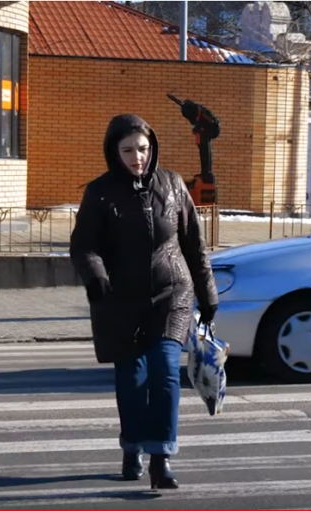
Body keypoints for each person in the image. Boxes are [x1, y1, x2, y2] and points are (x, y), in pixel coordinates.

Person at [70, 114, 219, 489]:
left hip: (172, 294)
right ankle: (132, 445)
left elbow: (193, 244)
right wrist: (97, 276)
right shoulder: (100, 192)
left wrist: (208, 293)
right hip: (121, 300)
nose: (137, 157)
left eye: (143, 148)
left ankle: (161, 458)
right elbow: (84, 245)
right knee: (132, 378)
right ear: (113, 152)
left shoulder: (171, 186)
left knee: (165, 370)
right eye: (128, 150)